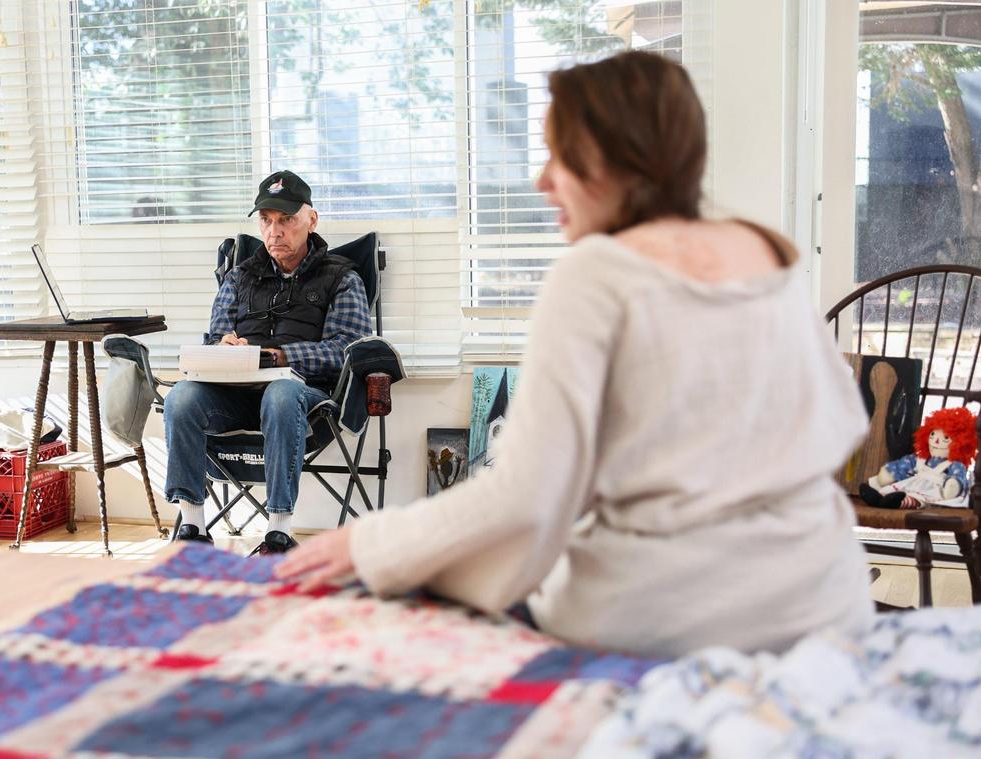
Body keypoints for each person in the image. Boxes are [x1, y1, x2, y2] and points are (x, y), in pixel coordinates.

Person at [277, 51, 875, 657]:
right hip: (826, 601)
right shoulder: (769, 252)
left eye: (559, 158)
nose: (541, 181)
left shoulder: (598, 272)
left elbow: (525, 495)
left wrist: (368, 544)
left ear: (613, 160)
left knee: (407, 605)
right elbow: (842, 424)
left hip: (678, 616)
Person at [163, 170, 371, 554]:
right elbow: (214, 337)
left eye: (287, 220)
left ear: (311, 220)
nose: (275, 231)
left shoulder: (342, 278)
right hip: (235, 396)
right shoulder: (238, 277)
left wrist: (282, 356)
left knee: (281, 392)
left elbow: (347, 350)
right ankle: (192, 524)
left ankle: (278, 530)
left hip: (304, 402)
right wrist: (223, 348)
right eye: (266, 221)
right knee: (182, 397)